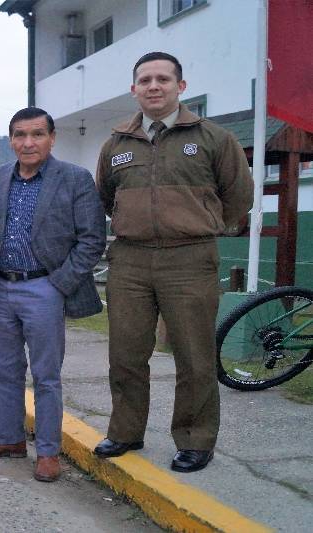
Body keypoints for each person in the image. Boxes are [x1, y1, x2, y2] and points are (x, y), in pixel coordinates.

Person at [94, 52, 253, 472]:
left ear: (180, 87)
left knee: (193, 355)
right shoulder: (116, 144)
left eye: (163, 78)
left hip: (190, 258)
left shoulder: (213, 138)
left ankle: (195, 439)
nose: (153, 86)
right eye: (144, 79)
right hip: (130, 261)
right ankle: (125, 431)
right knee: (126, 355)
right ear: (134, 89)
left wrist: (200, 225)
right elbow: (106, 197)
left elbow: (238, 195)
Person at [0, 107, 106, 482]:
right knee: (3, 372)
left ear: (52, 138)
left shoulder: (74, 179)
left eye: (37, 134)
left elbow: (92, 240)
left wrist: (59, 284)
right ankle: (8, 439)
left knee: (46, 376)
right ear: (11, 139)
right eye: (20, 135)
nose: (28, 143)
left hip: (46, 287)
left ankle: (47, 451)